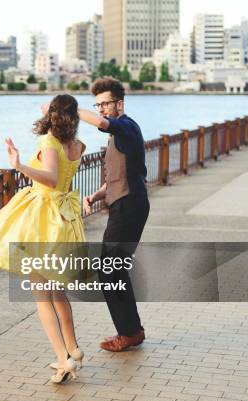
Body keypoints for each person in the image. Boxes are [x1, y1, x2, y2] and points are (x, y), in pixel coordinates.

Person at [0, 94, 86, 383]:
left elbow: (50, 178)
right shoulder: (77, 145)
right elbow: (61, 178)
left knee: (41, 295)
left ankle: (63, 359)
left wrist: (18, 165)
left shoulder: (49, 142)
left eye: (48, 105)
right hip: (62, 219)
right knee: (57, 290)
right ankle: (73, 348)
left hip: (43, 218)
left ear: (53, 113)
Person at [77, 77, 149, 352]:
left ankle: (130, 332)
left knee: (110, 270)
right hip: (123, 203)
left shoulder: (127, 127)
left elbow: (101, 122)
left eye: (105, 103)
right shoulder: (116, 137)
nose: (101, 109)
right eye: (97, 105)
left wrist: (68, 108)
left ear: (120, 103)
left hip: (130, 206)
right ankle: (132, 330)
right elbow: (118, 176)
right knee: (112, 269)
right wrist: (96, 195)